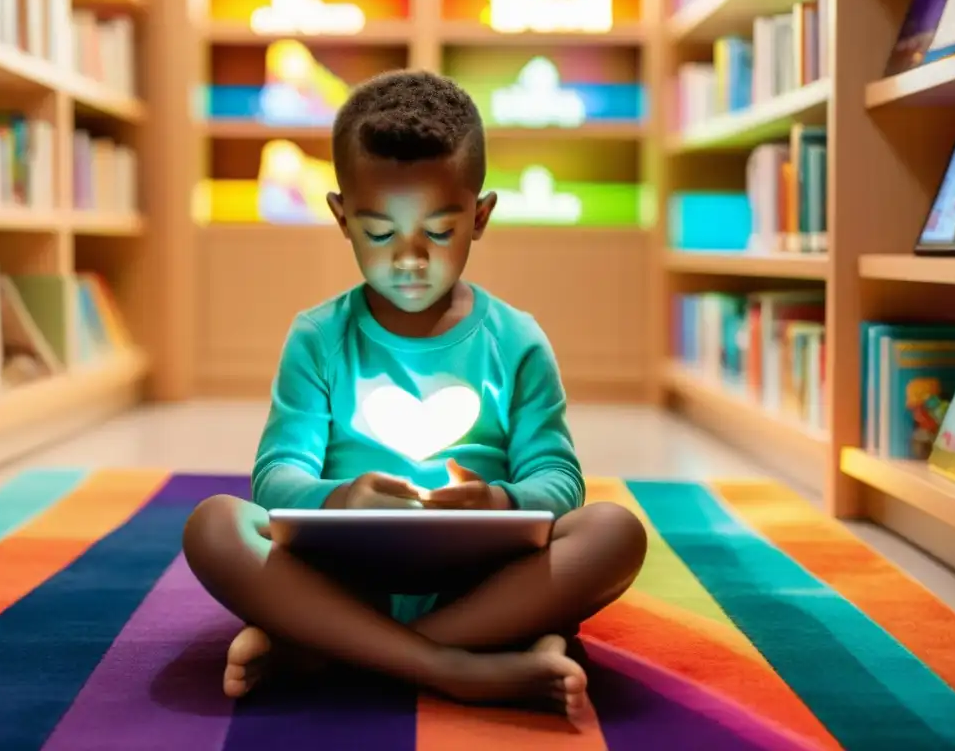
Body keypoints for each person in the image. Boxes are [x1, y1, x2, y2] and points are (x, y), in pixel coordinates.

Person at [182, 69, 648, 716]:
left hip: (482, 579)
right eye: (379, 233)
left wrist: (502, 501)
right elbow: (277, 476)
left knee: (614, 532)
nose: (409, 258)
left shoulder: (516, 339)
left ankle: (331, 651)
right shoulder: (318, 336)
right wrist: (339, 500)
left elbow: (557, 474)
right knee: (214, 524)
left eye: (438, 231)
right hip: (344, 575)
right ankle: (455, 665)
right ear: (342, 218)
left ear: (479, 216)